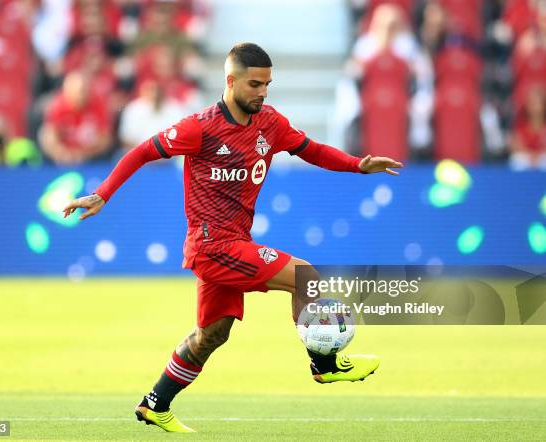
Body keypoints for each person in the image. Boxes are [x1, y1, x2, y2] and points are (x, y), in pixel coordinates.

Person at [63, 43, 403, 433]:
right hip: (212, 246)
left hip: (234, 241)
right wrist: (102, 193)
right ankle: (324, 365)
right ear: (231, 81)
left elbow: (311, 150)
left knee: (213, 334)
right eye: (255, 84)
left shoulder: (270, 123)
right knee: (306, 276)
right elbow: (141, 152)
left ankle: (155, 404)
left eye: (267, 84)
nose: (262, 92)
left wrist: (358, 165)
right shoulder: (200, 127)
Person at [39, 71, 112, 165]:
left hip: (92, 157)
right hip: (64, 157)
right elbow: (49, 136)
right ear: (67, 92)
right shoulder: (57, 106)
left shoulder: (98, 104)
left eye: (85, 91)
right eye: (79, 92)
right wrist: (62, 154)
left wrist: (84, 154)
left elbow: (105, 139)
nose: (82, 96)